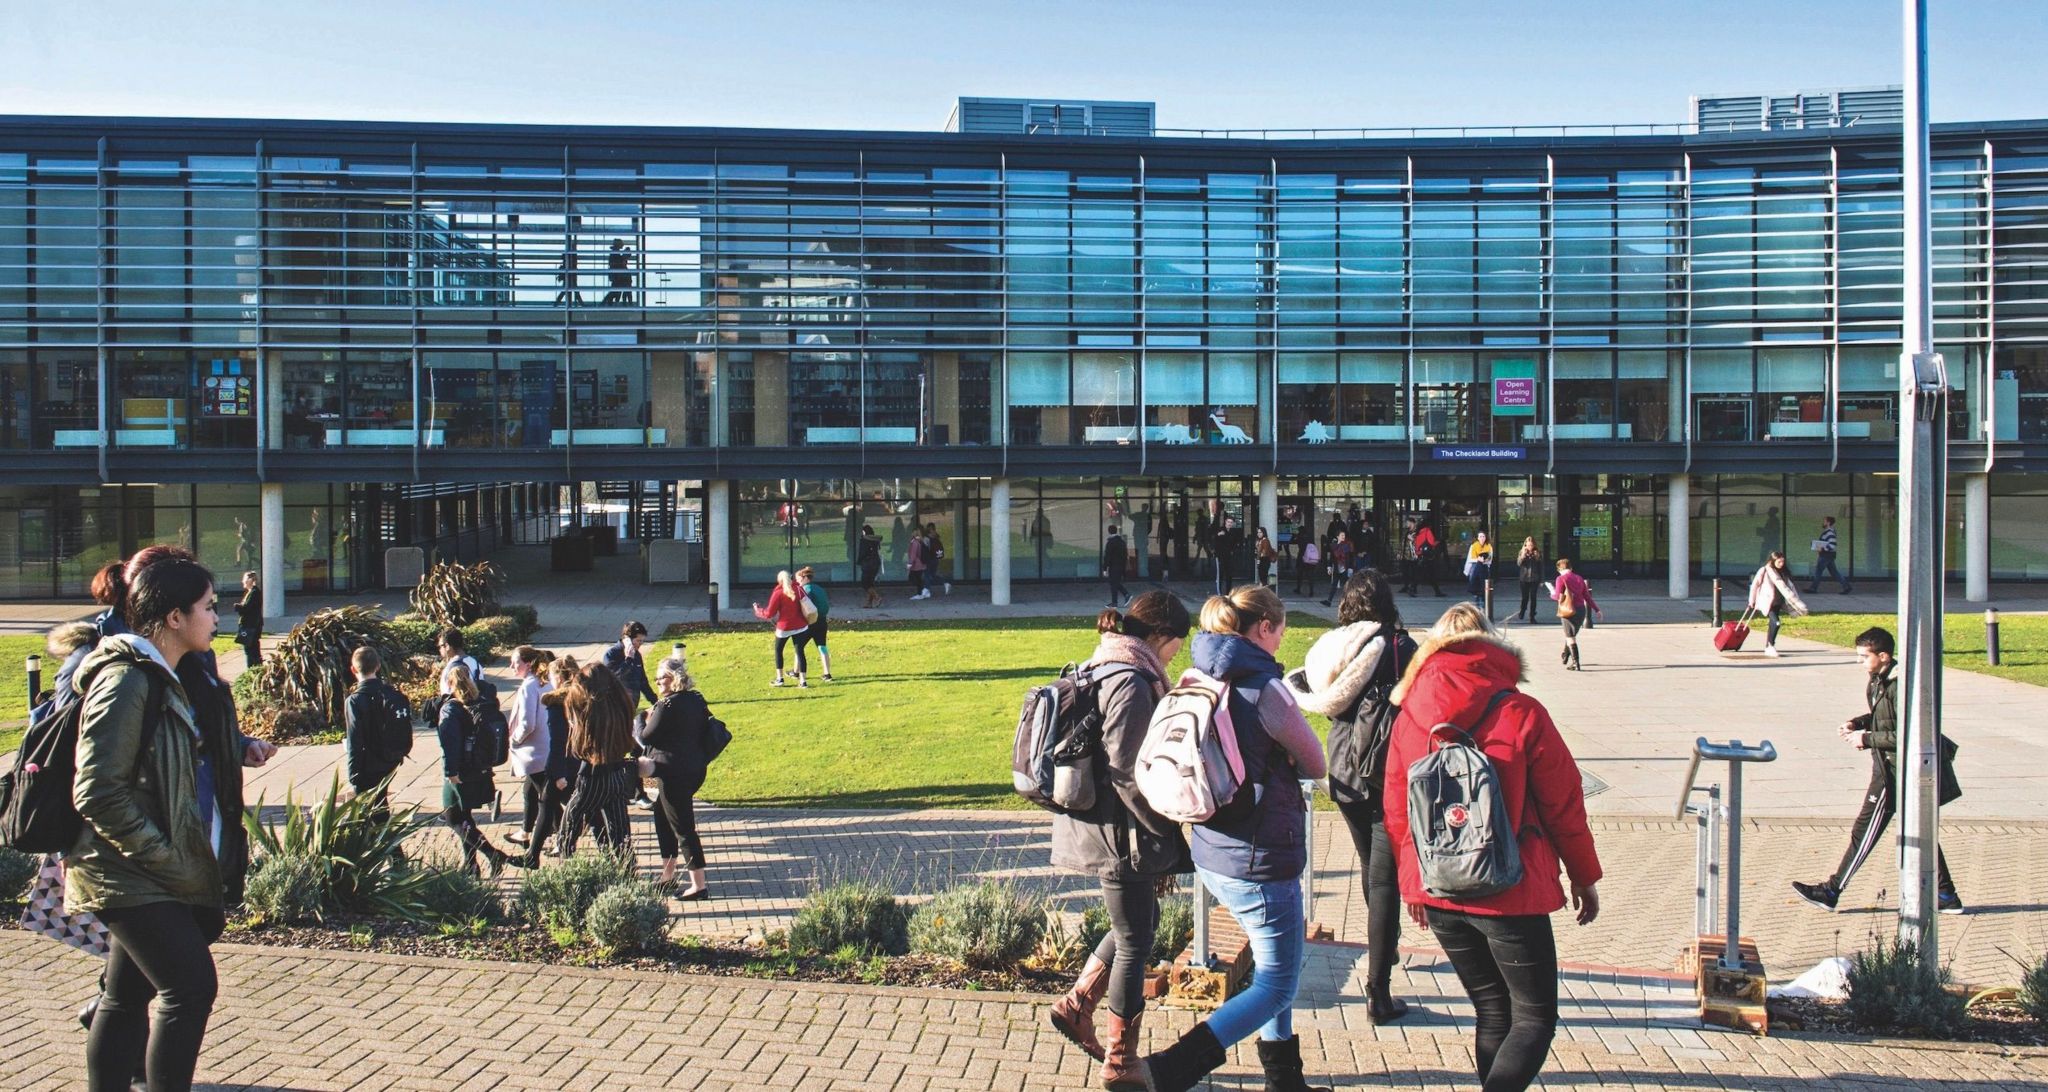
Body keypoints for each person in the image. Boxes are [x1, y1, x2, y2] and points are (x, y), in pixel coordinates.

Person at [71, 551, 277, 1092]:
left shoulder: (172, 673)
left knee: (125, 995)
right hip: (128, 868)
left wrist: (236, 747)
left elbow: (171, 758)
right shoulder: (127, 681)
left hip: (145, 866)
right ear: (174, 618)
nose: (218, 617)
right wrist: (163, 854)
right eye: (208, 607)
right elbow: (96, 790)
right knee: (189, 988)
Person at [1382, 603, 1603, 1092]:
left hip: (1439, 889)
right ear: (1492, 646)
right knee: (1534, 1018)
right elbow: (1564, 805)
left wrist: (1413, 888)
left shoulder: (1409, 717)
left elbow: (1397, 812)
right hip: (1510, 889)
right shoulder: (1521, 712)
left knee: (1492, 1010)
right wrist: (1583, 875)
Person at [1139, 586, 1332, 1092]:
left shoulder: (1200, 674)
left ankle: (1284, 1078)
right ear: (1264, 628)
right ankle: (1172, 1068)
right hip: (1261, 854)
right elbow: (1315, 761)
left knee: (1275, 966)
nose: (1281, 640)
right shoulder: (1265, 690)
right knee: (1275, 983)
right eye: (1282, 630)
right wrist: (1284, 755)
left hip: (1209, 846)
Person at [1047, 591, 1194, 1088]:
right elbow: (1129, 771)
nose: (1175, 654)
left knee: (1140, 922)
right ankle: (1121, 1061)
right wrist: (1166, 831)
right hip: (1121, 833)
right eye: (1176, 644)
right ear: (1159, 637)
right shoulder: (1130, 679)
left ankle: (1076, 1005)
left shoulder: (1106, 662)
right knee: (1134, 940)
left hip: (1103, 825)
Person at [1286, 570, 1416, 1026]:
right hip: (1384, 772)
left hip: (1341, 770)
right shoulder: (1398, 647)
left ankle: (1388, 947)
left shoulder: (1334, 647)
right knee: (1384, 880)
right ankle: (1379, 989)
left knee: (1372, 866)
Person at [1793, 627, 1965, 915]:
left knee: (1865, 830)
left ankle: (1831, 891)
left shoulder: (1901, 686)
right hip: (1890, 766)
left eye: (1864, 657)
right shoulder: (1878, 681)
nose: (1860, 662)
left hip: (1894, 772)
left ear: (1883, 656)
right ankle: (1945, 895)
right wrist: (1857, 723)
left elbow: (1911, 732)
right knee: (1919, 829)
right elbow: (1882, 718)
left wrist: (1866, 738)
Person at [638, 654, 718, 899]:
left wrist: (640, 719)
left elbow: (645, 737)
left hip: (672, 773)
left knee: (683, 827)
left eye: (661, 677)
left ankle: (699, 885)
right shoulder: (696, 699)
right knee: (663, 819)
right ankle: (668, 876)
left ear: (673, 678)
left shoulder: (666, 705)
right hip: (694, 768)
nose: (657, 682)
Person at [436, 662, 519, 876]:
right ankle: (471, 864)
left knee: (453, 817)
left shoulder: (451, 708)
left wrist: (450, 772)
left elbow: (450, 743)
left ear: (449, 683)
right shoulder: (482, 701)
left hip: (461, 771)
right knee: (465, 818)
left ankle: (492, 854)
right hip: (480, 767)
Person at [557, 663, 638, 860]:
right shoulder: (619, 704)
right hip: (618, 773)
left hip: (592, 776)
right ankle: (627, 870)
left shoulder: (591, 710)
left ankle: (566, 860)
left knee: (570, 820)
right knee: (620, 830)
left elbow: (579, 743)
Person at [521, 655, 582, 867]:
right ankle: (534, 855)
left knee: (550, 805)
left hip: (563, 764)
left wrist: (557, 773)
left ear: (558, 676)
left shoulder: (557, 703)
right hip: (581, 760)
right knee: (550, 805)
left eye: (549, 676)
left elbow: (558, 741)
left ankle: (536, 856)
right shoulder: (581, 696)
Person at [343, 646, 413, 818]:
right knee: (380, 806)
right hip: (390, 759)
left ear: (353, 669)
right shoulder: (392, 694)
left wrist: (354, 775)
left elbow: (355, 741)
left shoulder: (354, 701)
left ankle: (389, 844)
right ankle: (390, 842)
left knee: (371, 816)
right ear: (378, 666)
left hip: (368, 765)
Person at [504, 645, 554, 849]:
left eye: (515, 662)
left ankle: (562, 836)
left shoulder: (528, 686)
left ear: (527, 663)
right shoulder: (543, 682)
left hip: (534, 751)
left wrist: (514, 739)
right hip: (546, 746)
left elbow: (527, 723)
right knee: (530, 791)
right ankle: (525, 832)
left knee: (547, 797)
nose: (511, 666)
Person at [752, 569, 814, 688]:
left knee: (778, 651)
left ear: (779, 581)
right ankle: (803, 681)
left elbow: (769, 613)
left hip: (784, 627)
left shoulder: (778, 593)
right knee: (800, 652)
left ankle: (780, 679)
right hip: (800, 625)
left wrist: (758, 610)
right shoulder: (799, 589)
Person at [1747, 550, 1807, 658]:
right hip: (1768, 602)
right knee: (1776, 622)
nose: (1781, 564)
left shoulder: (1784, 572)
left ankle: (1768, 646)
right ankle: (1770, 646)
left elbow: (1790, 587)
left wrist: (1796, 602)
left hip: (1778, 602)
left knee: (1773, 623)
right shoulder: (1764, 570)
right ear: (1773, 560)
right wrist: (1752, 600)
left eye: (1783, 561)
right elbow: (1755, 585)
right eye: (1779, 562)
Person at [1549, 558, 1602, 671]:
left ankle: (1576, 663)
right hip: (1581, 611)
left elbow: (1558, 596)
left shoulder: (1560, 579)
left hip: (1568, 611)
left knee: (1570, 637)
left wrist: (1552, 593)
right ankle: (1565, 655)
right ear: (1571, 568)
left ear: (1559, 569)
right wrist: (1597, 610)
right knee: (1571, 635)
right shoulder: (1579, 578)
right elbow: (1587, 596)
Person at [600, 620, 660, 708]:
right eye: (638, 641)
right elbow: (615, 677)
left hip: (631, 706)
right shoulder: (611, 655)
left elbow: (642, 681)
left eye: (642, 641)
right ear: (627, 639)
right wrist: (629, 659)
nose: (640, 644)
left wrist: (655, 702)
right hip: (615, 707)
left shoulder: (637, 655)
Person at [795, 566, 834, 681]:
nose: (798, 582)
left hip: (810, 623)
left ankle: (796, 671)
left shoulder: (806, 590)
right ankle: (827, 673)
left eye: (799, 579)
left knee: (799, 647)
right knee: (822, 646)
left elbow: (805, 607)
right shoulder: (819, 588)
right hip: (822, 621)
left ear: (805, 578)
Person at [1806, 514, 1852, 595]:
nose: (1823, 522)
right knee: (1834, 572)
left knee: (1818, 571)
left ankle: (1813, 588)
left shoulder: (1829, 533)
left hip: (1826, 555)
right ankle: (1846, 586)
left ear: (1828, 522)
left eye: (1824, 521)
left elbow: (1832, 545)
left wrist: (1822, 549)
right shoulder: (1829, 532)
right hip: (1829, 555)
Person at [436, 628, 482, 695]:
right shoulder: (475, 663)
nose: (439, 649)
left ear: (447, 646)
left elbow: (446, 697)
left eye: (440, 646)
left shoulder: (449, 670)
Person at [233, 570, 262, 668]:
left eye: (244, 579)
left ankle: (253, 669)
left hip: (251, 626)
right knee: (252, 649)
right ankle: (255, 668)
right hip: (251, 624)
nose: (243, 581)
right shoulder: (251, 592)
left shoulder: (254, 593)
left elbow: (248, 608)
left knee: (250, 649)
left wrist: (238, 607)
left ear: (250, 580)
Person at [1211, 515, 1244, 597]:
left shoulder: (1233, 532)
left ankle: (1228, 593)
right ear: (1225, 522)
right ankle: (1219, 593)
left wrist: (1233, 550)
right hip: (1220, 556)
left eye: (1231, 522)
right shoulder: (1220, 530)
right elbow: (1213, 540)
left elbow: (1236, 542)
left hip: (1229, 556)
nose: (1229, 524)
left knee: (1229, 575)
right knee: (1220, 575)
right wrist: (1218, 535)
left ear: (1233, 524)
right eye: (1228, 522)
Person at [1320, 530, 1352, 607]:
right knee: (1334, 585)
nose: (1343, 537)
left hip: (1344, 568)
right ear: (1337, 537)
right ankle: (1329, 601)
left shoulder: (1346, 546)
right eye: (1342, 535)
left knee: (1346, 586)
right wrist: (1329, 567)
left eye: (1344, 535)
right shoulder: (1333, 546)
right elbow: (1332, 558)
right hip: (1337, 568)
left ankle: (1349, 602)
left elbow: (1349, 558)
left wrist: (1350, 568)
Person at [1101, 523, 1130, 607]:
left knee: (1113, 583)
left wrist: (1104, 568)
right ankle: (1117, 600)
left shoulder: (1110, 543)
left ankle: (1123, 596)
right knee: (1115, 583)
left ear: (1109, 531)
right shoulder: (1121, 542)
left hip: (1113, 566)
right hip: (1120, 565)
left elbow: (1107, 556)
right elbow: (1125, 555)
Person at [857, 523, 884, 608]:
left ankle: (877, 597)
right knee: (870, 583)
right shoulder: (875, 540)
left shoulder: (864, 540)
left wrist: (859, 561)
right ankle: (869, 602)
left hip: (867, 564)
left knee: (865, 583)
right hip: (876, 563)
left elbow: (863, 553)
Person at [1465, 531, 1494, 606]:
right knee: (1476, 589)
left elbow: (1490, 560)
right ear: (1478, 538)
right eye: (1480, 536)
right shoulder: (1473, 546)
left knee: (1484, 589)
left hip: (1484, 567)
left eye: (1483, 536)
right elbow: (1470, 558)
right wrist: (1478, 559)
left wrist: (1484, 560)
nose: (1482, 538)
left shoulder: (1489, 546)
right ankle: (1477, 606)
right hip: (1475, 567)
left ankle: (1484, 607)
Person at [924, 522, 952, 595]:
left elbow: (925, 549)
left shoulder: (927, 538)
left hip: (929, 559)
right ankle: (945, 583)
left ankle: (926, 590)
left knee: (927, 574)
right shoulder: (936, 537)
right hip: (935, 559)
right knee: (932, 575)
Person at [905, 522, 931, 600]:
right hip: (920, 564)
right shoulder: (919, 541)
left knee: (914, 578)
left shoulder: (914, 542)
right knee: (918, 579)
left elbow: (913, 555)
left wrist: (909, 565)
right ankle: (923, 591)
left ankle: (921, 592)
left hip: (916, 565)